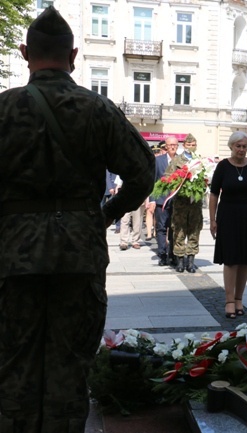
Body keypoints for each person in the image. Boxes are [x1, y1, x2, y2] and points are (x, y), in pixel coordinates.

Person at [0, 7, 155, 432]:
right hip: (78, 252)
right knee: (70, 362)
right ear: (74, 55)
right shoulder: (97, 109)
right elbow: (143, 173)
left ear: (24, 52)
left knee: (13, 361)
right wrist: (106, 214)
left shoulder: (4, 108)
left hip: (13, 256)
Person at [209, 132, 247, 319]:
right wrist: (212, 219)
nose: (241, 149)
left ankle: (239, 298)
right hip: (228, 215)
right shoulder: (223, 166)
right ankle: (229, 301)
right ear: (231, 146)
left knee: (245, 258)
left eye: (244, 146)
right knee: (231, 259)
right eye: (238, 146)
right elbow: (214, 194)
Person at [165, 133, 203, 273]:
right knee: (179, 231)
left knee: (194, 231)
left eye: (193, 145)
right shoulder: (176, 161)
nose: (191, 147)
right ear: (184, 146)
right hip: (180, 203)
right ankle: (180, 261)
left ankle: (191, 262)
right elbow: (167, 177)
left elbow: (206, 177)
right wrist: (177, 183)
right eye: (188, 145)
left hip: (195, 203)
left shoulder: (200, 161)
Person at [154, 136, 179, 266]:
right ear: (166, 147)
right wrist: (152, 200)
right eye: (170, 145)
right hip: (161, 200)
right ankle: (162, 254)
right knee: (161, 228)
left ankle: (173, 254)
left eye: (175, 145)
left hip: (177, 200)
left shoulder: (182, 161)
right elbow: (153, 180)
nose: (173, 147)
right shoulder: (158, 161)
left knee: (174, 228)